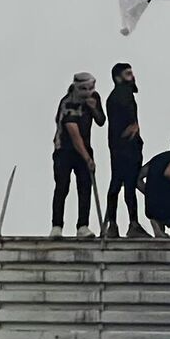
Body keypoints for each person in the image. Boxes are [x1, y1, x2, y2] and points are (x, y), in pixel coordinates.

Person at [51, 72, 104, 238]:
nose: (88, 91)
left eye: (91, 88)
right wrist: (87, 158)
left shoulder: (94, 97)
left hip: (85, 148)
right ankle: (57, 226)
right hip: (65, 150)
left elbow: (101, 120)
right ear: (75, 87)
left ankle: (83, 226)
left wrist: (93, 107)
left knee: (85, 186)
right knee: (62, 186)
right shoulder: (68, 103)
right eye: (83, 88)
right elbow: (74, 135)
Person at [102, 62, 146, 237]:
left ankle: (114, 224)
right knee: (127, 184)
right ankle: (131, 224)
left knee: (118, 183)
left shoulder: (117, 95)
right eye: (128, 74)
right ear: (118, 77)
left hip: (119, 147)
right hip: (127, 147)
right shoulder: (122, 93)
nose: (132, 77)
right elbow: (126, 122)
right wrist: (131, 130)